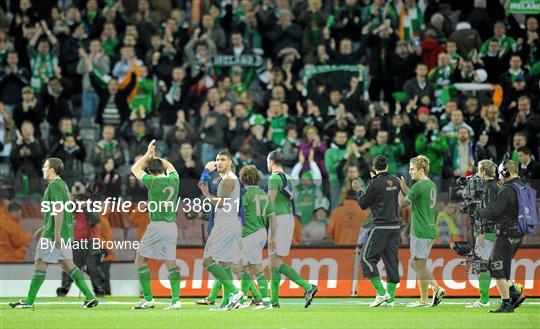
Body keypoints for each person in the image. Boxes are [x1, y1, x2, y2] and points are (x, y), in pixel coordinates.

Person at [9, 158, 98, 309]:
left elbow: (59, 210)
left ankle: (29, 301)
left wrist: (55, 233)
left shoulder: (55, 185)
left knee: (40, 263)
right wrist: (43, 227)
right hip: (62, 232)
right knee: (68, 265)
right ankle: (90, 297)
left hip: (54, 235)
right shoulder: (62, 184)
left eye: (45, 167)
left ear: (52, 169)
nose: (43, 169)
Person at [130, 139, 181, 310]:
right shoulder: (175, 179)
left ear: (150, 171)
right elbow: (170, 166)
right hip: (172, 226)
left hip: (157, 225)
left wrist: (147, 155)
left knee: (140, 260)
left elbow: (134, 169)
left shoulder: (152, 181)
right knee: (170, 261)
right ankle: (176, 300)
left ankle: (149, 299)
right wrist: (156, 158)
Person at [266, 150, 318, 308]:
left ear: (272, 161)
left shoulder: (274, 178)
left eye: (268, 161)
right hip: (288, 218)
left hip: (278, 219)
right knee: (274, 261)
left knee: (274, 261)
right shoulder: (289, 178)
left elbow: (269, 202)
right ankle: (274, 301)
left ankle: (308, 287)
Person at [476, 160, 527, 313]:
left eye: (500, 173)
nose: (499, 176)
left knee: (494, 266)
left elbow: (494, 212)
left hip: (506, 234)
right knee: (503, 269)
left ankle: (507, 303)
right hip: (518, 233)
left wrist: (477, 211)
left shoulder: (507, 189)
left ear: (505, 172)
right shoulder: (522, 187)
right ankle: (514, 294)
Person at [198, 151, 245, 310]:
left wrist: (206, 194)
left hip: (225, 224)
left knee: (207, 261)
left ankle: (235, 292)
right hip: (230, 223)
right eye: (217, 160)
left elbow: (220, 204)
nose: (219, 163)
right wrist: (205, 173)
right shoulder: (227, 179)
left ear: (230, 162)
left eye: (223, 160)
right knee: (224, 263)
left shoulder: (228, 180)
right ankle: (226, 301)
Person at [352, 155, 400, 307]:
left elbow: (363, 204)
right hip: (395, 226)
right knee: (391, 262)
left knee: (366, 259)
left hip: (380, 226)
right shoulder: (396, 181)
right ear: (387, 165)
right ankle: (390, 299)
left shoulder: (374, 183)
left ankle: (381, 293)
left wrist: (359, 190)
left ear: (373, 167)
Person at [397, 155, 445, 307]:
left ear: (421, 169)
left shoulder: (419, 186)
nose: (410, 172)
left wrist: (398, 190)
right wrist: (404, 186)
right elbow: (414, 195)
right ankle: (429, 295)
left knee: (418, 265)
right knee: (417, 264)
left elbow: (403, 204)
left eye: (412, 169)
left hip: (420, 230)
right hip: (429, 229)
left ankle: (431, 293)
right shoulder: (430, 184)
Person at [236, 165, 277, 310]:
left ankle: (266, 302)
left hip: (250, 234)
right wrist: (272, 238)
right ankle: (242, 300)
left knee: (257, 268)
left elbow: (239, 216)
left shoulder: (245, 195)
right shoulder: (264, 194)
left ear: (242, 179)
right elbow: (273, 219)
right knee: (243, 267)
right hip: (261, 233)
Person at [465, 160, 499, 308]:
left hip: (488, 233)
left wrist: (481, 233)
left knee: (483, 265)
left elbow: (491, 212)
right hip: (491, 232)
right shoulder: (495, 187)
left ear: (484, 172)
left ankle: (484, 300)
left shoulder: (489, 188)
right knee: (492, 267)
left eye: (479, 171)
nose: (477, 174)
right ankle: (513, 292)